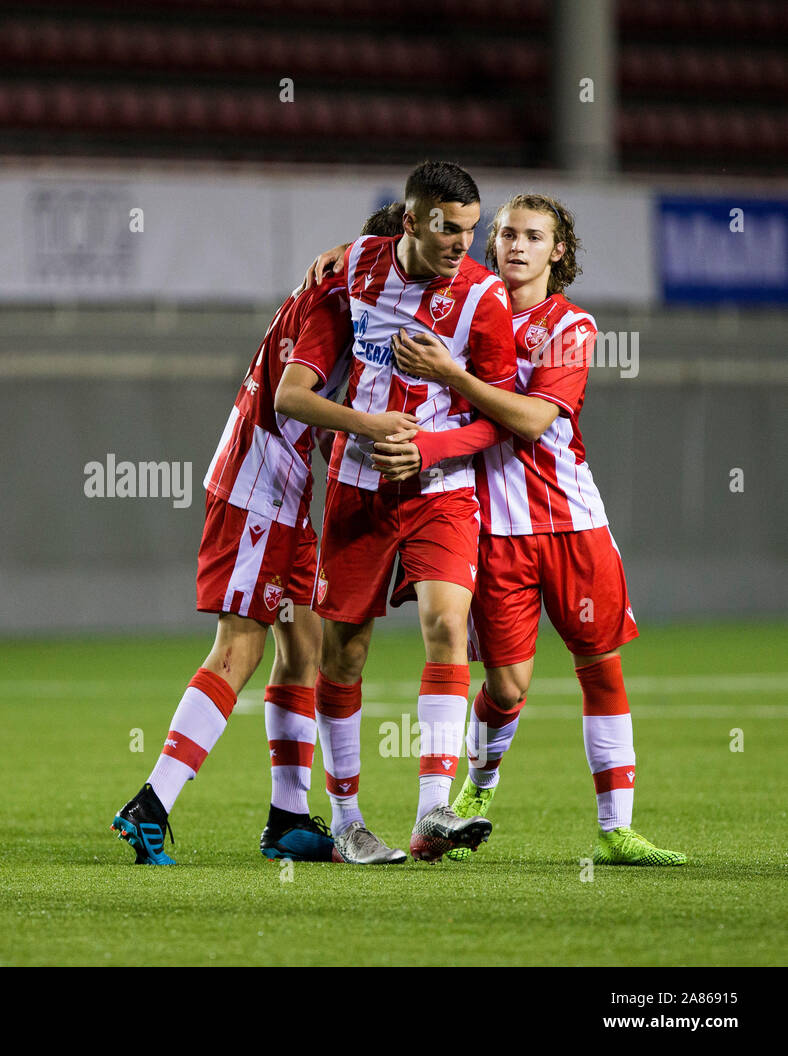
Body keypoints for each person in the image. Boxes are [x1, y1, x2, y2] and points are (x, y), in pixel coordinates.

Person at [368, 193, 687, 866]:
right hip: (493, 529)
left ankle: (616, 828)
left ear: (557, 251)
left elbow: (534, 420)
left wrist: (452, 375)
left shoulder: (570, 325)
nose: (516, 244)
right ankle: (477, 789)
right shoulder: (462, 312)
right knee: (507, 687)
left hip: (574, 524)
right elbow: (382, 263)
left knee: (599, 666)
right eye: (507, 233)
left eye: (533, 236)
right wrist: (331, 261)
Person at [111, 205, 418, 867]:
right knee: (238, 648)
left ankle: (285, 819)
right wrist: (372, 425)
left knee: (303, 642)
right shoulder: (338, 303)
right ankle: (152, 803)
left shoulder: (345, 287)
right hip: (258, 487)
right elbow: (291, 396)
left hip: (283, 493)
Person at [296, 161, 516, 862]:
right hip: (358, 487)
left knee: (449, 625)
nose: (462, 243)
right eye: (449, 228)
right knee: (344, 651)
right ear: (412, 221)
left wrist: (432, 449)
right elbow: (307, 367)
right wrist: (365, 429)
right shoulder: (355, 266)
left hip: (442, 491)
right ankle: (346, 819)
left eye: (471, 229)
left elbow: (499, 416)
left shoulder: (484, 296)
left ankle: (433, 813)